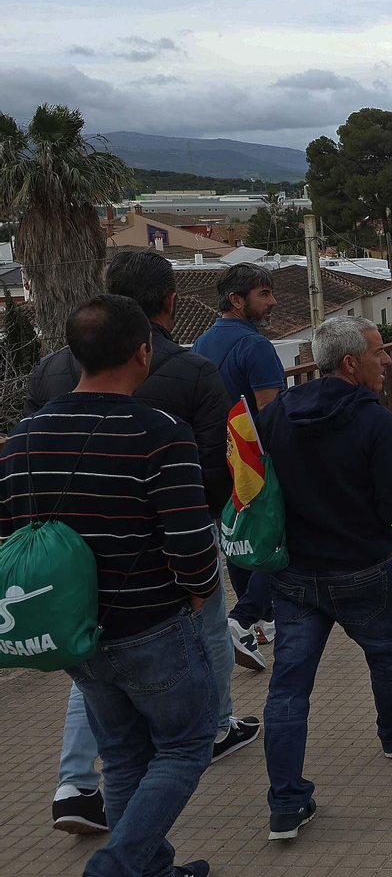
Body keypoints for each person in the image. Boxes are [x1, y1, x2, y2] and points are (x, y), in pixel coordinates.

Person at [25, 253, 256, 837]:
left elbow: (20, 508)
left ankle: (78, 786)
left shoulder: (47, 381)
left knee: (118, 734)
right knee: (185, 740)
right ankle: (215, 734)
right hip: (157, 592)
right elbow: (214, 480)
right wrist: (202, 591)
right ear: (168, 307)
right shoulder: (191, 377)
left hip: (75, 592)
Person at [1, 295, 220, 877]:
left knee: (123, 756)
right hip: (152, 625)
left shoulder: (21, 438)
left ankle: (149, 871)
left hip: (79, 635)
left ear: (75, 355)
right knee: (185, 746)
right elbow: (191, 539)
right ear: (142, 351)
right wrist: (198, 596)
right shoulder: (158, 432)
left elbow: (9, 538)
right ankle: (118, 867)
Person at [257, 317, 392, 841]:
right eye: (380, 352)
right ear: (350, 364)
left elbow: (258, 491)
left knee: (288, 687)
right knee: (386, 653)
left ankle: (286, 803)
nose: (389, 360)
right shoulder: (373, 420)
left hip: (293, 574)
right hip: (362, 567)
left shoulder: (276, 415)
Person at [191, 263, 280, 670]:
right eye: (263, 294)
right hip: (254, 460)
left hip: (214, 460)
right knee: (273, 536)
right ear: (236, 299)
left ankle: (259, 622)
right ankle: (243, 622)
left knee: (237, 539)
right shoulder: (256, 345)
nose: (273, 301)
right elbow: (271, 411)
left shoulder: (201, 343)